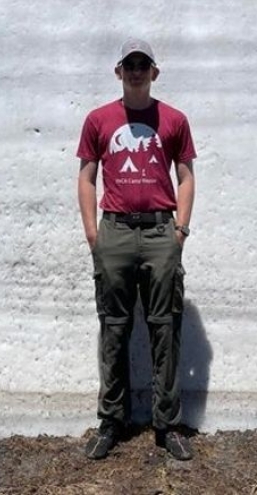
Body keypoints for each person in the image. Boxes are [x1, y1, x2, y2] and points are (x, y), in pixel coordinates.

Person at [77, 38, 196, 461]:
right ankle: (112, 421)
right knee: (114, 328)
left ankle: (168, 425)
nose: (136, 70)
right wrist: (94, 234)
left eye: (143, 64)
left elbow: (185, 176)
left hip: (162, 234)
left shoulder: (174, 120)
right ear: (119, 71)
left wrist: (179, 230)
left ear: (154, 71)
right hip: (116, 234)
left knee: (166, 328)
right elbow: (87, 177)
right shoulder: (99, 120)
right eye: (130, 64)